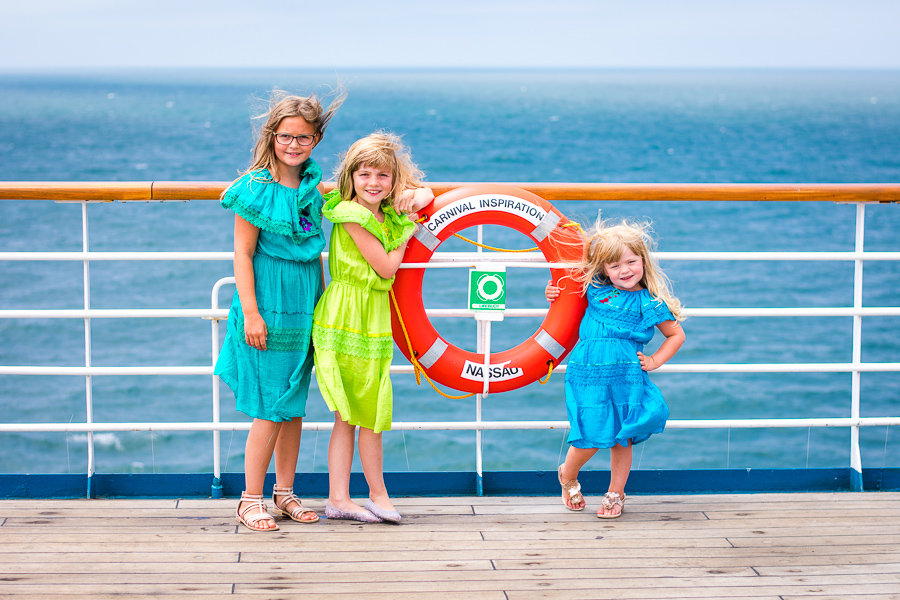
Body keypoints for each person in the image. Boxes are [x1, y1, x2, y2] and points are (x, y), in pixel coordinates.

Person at [215, 88, 345, 531]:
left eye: (303, 138)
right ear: (272, 136)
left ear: (315, 141)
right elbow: (242, 254)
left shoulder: (313, 187)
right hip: (268, 307)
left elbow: (313, 255)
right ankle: (250, 499)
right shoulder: (253, 189)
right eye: (286, 136)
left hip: (305, 305)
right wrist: (251, 313)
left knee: (293, 406)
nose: (293, 145)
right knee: (269, 405)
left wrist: (324, 310)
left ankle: (285, 493)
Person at [312, 132, 432, 524]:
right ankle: (355, 497)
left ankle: (356, 497)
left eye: (383, 175)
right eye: (364, 174)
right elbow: (386, 266)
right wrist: (407, 230)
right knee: (355, 411)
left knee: (370, 408)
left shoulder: (383, 212)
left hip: (372, 315)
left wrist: (410, 200)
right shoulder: (351, 214)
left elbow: (426, 194)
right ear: (350, 177)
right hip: (346, 316)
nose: (373, 183)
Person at [546, 218, 685, 518]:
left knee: (624, 436)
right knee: (589, 433)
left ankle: (616, 493)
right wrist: (551, 293)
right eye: (614, 265)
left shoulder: (649, 303)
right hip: (588, 375)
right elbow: (564, 296)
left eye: (631, 262)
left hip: (627, 378)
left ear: (643, 261)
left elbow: (676, 334)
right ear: (603, 269)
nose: (625, 271)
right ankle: (567, 474)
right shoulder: (594, 289)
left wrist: (656, 360)